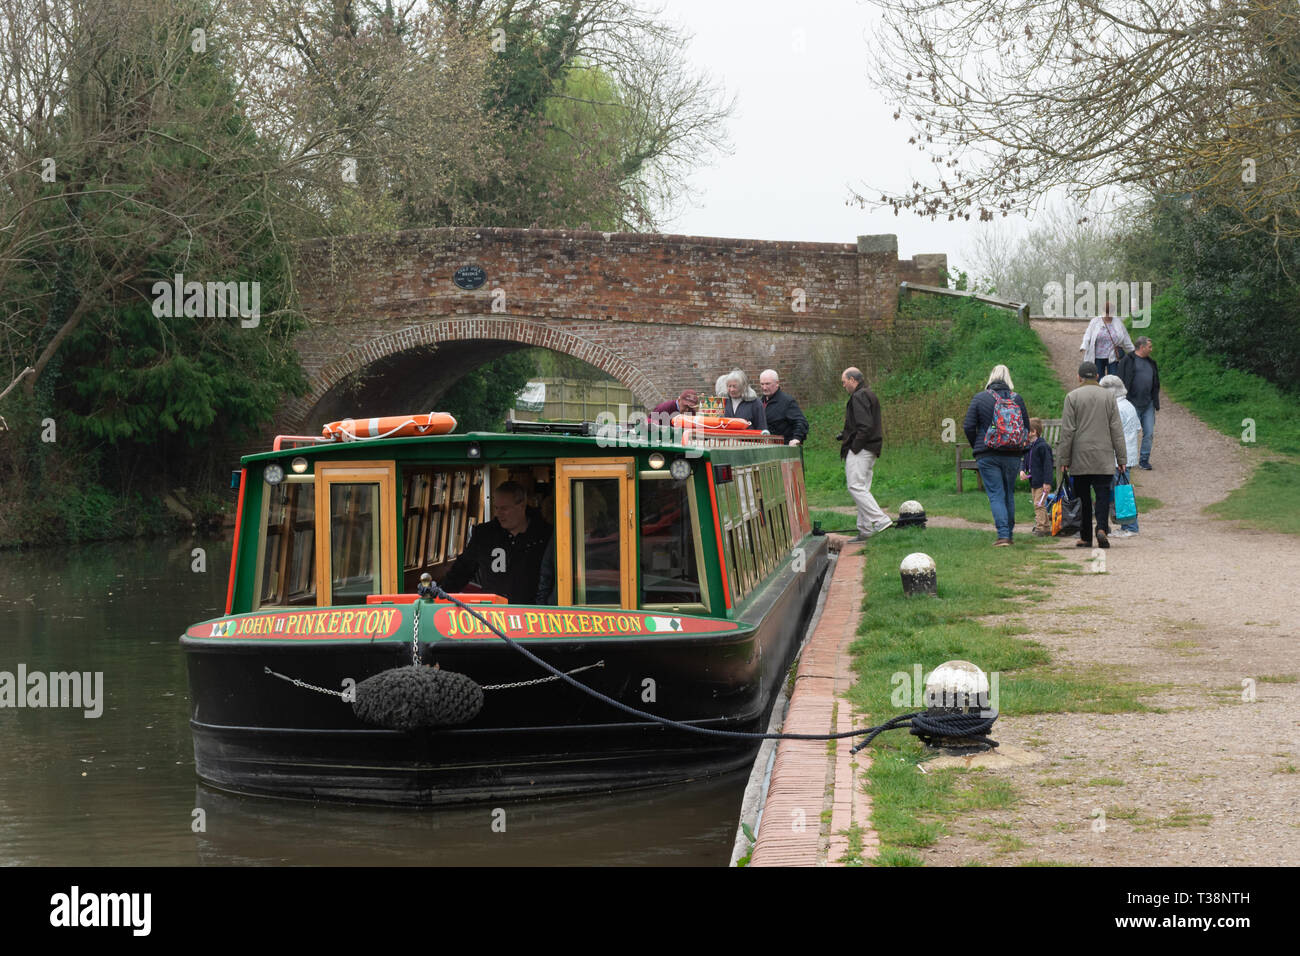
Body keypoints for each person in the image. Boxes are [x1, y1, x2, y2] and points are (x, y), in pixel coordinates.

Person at [442, 481, 551, 602]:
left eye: (504, 508)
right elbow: (461, 571)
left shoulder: (545, 536)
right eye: (496, 508)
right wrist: (440, 596)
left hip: (533, 614)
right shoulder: (484, 535)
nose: (498, 514)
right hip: (493, 613)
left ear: (522, 505)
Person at [1057, 363, 1127, 549]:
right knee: (1103, 494)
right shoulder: (1109, 397)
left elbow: (1068, 431)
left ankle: (1086, 536)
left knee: (1083, 498)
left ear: (1079, 377)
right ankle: (1102, 528)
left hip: (1080, 457)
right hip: (1103, 456)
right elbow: (1116, 430)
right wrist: (1121, 459)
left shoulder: (1072, 397)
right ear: (1097, 376)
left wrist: (1064, 459)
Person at [962, 364, 1032, 546]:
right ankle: (1009, 533)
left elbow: (968, 426)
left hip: (988, 454)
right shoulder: (1018, 399)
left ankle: (1003, 536)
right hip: (1013, 454)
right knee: (1008, 493)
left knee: (996, 494)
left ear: (990, 378)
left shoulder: (980, 398)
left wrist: (977, 445)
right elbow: (1026, 427)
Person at [836, 367, 891, 541]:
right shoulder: (868, 393)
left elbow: (865, 426)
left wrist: (854, 447)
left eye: (844, 383)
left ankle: (880, 520)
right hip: (872, 448)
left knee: (855, 486)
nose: (844, 386)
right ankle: (865, 529)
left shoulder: (858, 396)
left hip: (862, 448)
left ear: (853, 380)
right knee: (862, 488)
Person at [1099, 375, 1141, 536]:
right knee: (1122, 489)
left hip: (1118, 456)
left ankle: (1130, 527)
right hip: (1128, 454)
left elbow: (1110, 432)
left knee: (1121, 491)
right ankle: (1126, 524)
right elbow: (1137, 428)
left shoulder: (1114, 408)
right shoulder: (1129, 405)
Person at [1117, 336, 1159, 469]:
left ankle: (1144, 460)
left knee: (1149, 432)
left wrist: (1155, 399)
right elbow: (1120, 380)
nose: (1151, 349)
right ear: (1142, 347)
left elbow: (1156, 382)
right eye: (1149, 347)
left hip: (1148, 404)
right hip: (1131, 404)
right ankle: (1126, 459)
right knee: (1129, 433)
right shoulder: (1127, 361)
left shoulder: (1151, 363)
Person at [1079, 301, 1136, 379]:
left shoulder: (1118, 322)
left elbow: (1125, 338)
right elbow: (1087, 335)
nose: (1108, 316)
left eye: (1110, 313)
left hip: (1113, 356)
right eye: (1106, 313)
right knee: (1098, 378)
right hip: (1097, 357)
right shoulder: (1095, 321)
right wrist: (1084, 346)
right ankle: (1100, 391)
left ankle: (1111, 391)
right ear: (1102, 311)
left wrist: (1134, 353)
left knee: (1114, 379)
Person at [1022, 418, 1055, 536]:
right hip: (1033, 481)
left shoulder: (1043, 447)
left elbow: (1048, 466)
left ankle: (1041, 528)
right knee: (1038, 504)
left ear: (1033, 432)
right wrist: (1022, 470)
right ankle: (1045, 526)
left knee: (1038, 504)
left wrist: (1047, 482)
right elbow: (1025, 460)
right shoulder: (1029, 446)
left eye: (1026, 430)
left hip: (1042, 482)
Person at [758, 369, 809, 445]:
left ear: (777, 383)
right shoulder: (759, 403)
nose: (764, 388)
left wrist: (797, 438)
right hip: (763, 448)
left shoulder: (787, 402)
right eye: (762, 384)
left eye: (767, 384)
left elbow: (801, 421)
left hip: (783, 449)